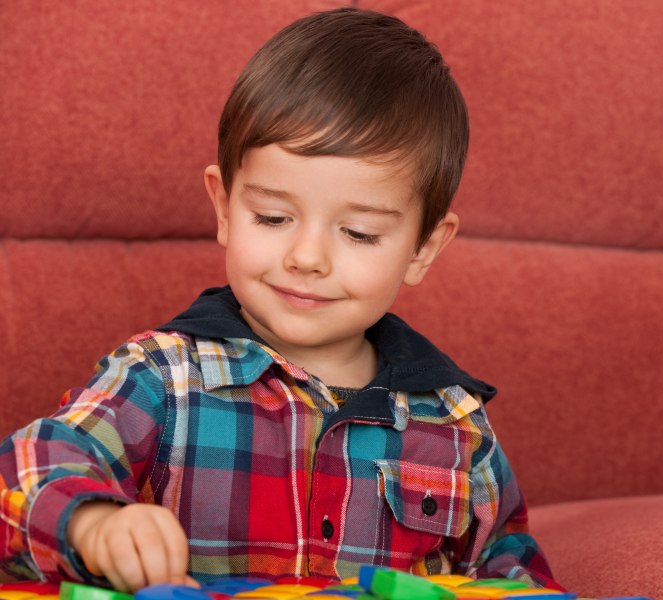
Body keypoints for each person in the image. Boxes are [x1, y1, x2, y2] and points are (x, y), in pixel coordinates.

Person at [0, 8, 558, 593]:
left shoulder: (454, 424)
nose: (307, 257)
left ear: (422, 247)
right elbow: (30, 465)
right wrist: (92, 522)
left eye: (359, 233)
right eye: (272, 217)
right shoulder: (164, 379)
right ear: (223, 207)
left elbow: (510, 567)